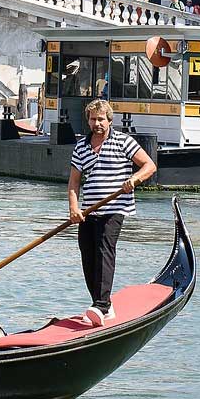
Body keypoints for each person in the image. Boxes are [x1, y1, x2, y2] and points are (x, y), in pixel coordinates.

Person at [68, 99, 157, 327]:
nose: (96, 123)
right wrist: (74, 209)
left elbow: (149, 166)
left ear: (109, 120)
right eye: (92, 119)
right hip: (89, 211)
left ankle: (101, 305)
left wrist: (133, 180)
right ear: (87, 120)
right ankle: (102, 304)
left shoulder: (123, 141)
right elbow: (73, 183)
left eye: (100, 119)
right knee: (87, 253)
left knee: (104, 250)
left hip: (115, 208)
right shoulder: (81, 147)